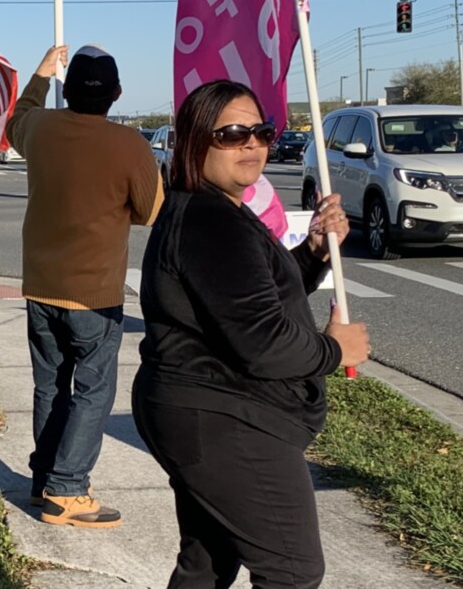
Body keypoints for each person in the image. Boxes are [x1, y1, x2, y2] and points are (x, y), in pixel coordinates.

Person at [131, 80, 370, 588]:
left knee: (209, 559)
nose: (253, 145)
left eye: (261, 132)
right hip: (223, 418)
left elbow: (248, 298)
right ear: (196, 142)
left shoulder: (216, 209)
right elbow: (264, 343)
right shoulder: (210, 220)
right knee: (292, 568)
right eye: (232, 134)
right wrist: (334, 350)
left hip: (199, 410)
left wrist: (313, 254)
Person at [6, 44, 163, 528]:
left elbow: (18, 118)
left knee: (49, 385)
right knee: (92, 390)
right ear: (116, 94)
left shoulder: (41, 129)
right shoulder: (130, 145)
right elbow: (150, 211)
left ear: (65, 90)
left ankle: (44, 479)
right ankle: (68, 491)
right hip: (95, 294)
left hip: (40, 285)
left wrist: (38, 72)